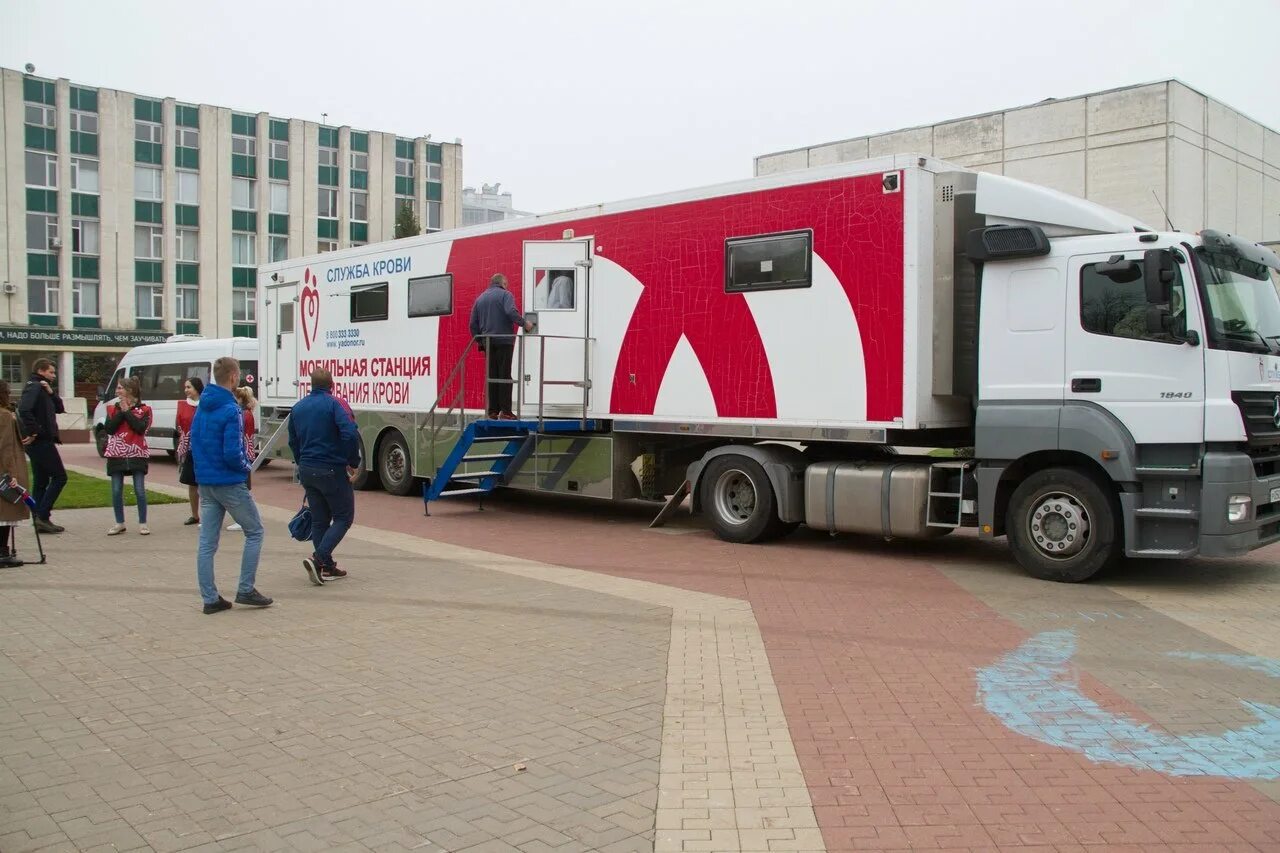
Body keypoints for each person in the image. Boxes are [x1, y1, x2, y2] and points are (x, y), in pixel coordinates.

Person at [190, 356, 271, 614]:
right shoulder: (231, 410)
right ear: (234, 377)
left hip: (205, 481)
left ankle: (210, 598)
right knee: (255, 531)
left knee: (207, 542)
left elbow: (195, 442)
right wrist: (246, 468)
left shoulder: (202, 407)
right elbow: (232, 452)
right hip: (229, 481)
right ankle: (246, 589)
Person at [288, 368, 359, 586]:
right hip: (331, 469)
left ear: (311, 384)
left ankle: (326, 566)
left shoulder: (298, 408)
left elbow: (292, 440)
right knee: (343, 517)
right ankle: (318, 558)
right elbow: (350, 432)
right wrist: (352, 461)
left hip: (307, 469)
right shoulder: (336, 404)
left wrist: (301, 461)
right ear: (332, 384)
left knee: (319, 519)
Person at [468, 273, 533, 419]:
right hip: (504, 340)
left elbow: (472, 324)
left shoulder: (480, 299)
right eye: (507, 283)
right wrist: (525, 324)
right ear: (503, 283)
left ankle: (492, 411)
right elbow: (510, 311)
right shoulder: (505, 295)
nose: (507, 285)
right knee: (504, 376)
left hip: (488, 342)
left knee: (492, 376)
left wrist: (480, 341)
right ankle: (506, 411)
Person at [18, 358, 67, 534]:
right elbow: (24, 410)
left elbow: (60, 408)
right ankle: (42, 515)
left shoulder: (43, 387)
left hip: (41, 440)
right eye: (51, 372)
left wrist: (51, 392)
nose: (53, 375)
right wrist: (35, 431)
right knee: (60, 477)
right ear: (41, 370)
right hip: (40, 441)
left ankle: (39, 518)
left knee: (41, 480)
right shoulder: (34, 386)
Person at [103, 376, 152, 536]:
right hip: (116, 454)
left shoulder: (144, 410)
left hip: (137, 453)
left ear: (129, 390)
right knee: (116, 490)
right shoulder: (111, 409)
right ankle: (119, 523)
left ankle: (143, 523)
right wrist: (121, 412)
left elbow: (140, 428)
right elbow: (109, 429)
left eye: (120, 388)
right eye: (117, 388)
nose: (117, 391)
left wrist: (127, 412)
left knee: (139, 490)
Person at [0, 381, 29, 567]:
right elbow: (6, 447)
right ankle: (2, 552)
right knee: (6, 511)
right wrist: (10, 473)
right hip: (3, 469)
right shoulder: (4, 416)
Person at [226, 386, 257, 532]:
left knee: (242, 487)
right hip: (246, 451)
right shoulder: (247, 413)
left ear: (239, 399)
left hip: (243, 452)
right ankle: (244, 517)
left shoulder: (243, 414)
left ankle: (244, 519)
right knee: (243, 487)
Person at [176, 377, 203, 525]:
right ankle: (194, 514)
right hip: (190, 449)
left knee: (206, 484)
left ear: (197, 388)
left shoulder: (205, 404)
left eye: (189, 387)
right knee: (192, 483)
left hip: (205, 449)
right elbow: (179, 424)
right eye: (185, 387)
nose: (186, 390)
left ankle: (209, 516)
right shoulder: (182, 405)